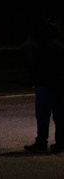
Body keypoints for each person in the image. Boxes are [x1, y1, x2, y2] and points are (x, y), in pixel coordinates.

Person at [21, 20, 64, 153]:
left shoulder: (43, 47)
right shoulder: (59, 46)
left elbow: (32, 61)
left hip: (45, 85)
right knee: (60, 116)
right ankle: (61, 142)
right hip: (59, 86)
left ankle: (41, 142)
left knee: (43, 115)